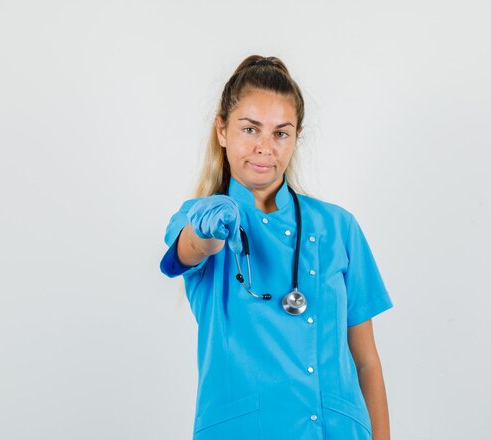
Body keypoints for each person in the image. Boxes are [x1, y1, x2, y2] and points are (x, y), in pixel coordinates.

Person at [159, 55, 393, 440]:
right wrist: (207, 230)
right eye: (250, 129)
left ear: (296, 137)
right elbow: (192, 248)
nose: (264, 147)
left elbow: (366, 362)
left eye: (280, 133)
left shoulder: (337, 227)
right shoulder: (200, 217)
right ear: (222, 130)